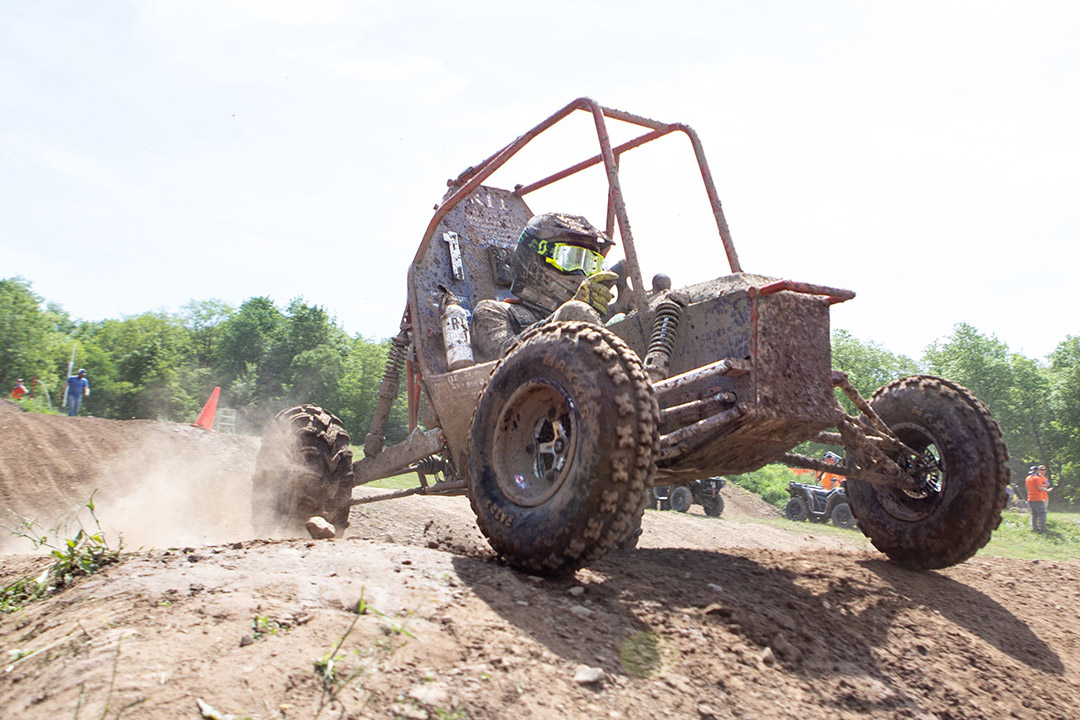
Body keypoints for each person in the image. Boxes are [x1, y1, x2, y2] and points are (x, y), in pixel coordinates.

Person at [471, 212, 617, 363]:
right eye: (569, 259)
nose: (581, 272)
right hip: (536, 384)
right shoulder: (492, 311)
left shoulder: (592, 312)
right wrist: (564, 318)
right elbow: (503, 360)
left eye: (590, 264)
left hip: (592, 380)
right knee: (574, 309)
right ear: (536, 255)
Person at [1025, 464, 1051, 534]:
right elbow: (1040, 487)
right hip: (1038, 498)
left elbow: (1027, 488)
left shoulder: (1027, 478)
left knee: (1034, 514)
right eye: (1040, 470)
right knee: (1042, 514)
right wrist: (1048, 490)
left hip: (1030, 498)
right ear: (1037, 471)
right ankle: (1043, 530)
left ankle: (1035, 528)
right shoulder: (1037, 478)